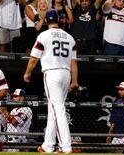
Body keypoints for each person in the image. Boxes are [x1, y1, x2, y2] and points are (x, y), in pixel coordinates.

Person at [23, 9, 79, 153]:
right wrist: (75, 80)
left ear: (47, 21)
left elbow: (34, 58)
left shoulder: (44, 35)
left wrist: (27, 72)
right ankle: (47, 145)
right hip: (66, 74)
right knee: (53, 110)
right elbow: (74, 62)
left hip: (52, 73)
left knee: (58, 110)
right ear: (59, 20)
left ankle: (65, 147)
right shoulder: (69, 37)